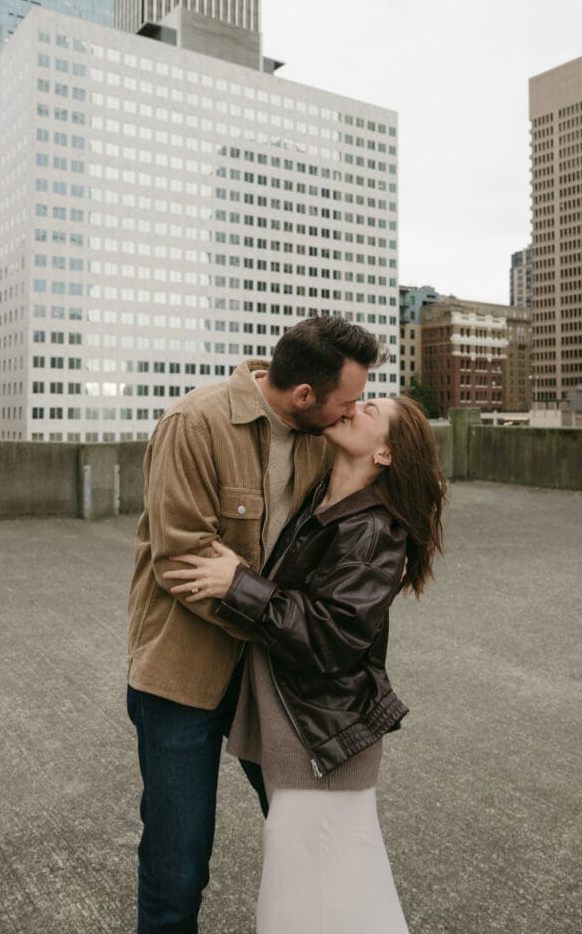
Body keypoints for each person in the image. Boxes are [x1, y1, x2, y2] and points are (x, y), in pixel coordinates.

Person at [126, 315, 387, 933]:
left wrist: (268, 606)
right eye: (345, 402)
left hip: (275, 680)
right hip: (182, 677)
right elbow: (183, 561)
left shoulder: (330, 439)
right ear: (304, 396)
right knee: (178, 867)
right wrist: (284, 616)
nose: (351, 413)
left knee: (309, 839)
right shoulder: (196, 424)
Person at [164, 394, 446, 933]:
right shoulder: (323, 498)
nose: (356, 406)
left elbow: (333, 637)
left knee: (311, 902)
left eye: (372, 411)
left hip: (320, 736)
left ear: (385, 454)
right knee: (330, 893)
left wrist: (238, 586)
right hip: (303, 729)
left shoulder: (373, 530)